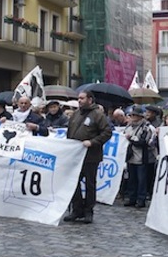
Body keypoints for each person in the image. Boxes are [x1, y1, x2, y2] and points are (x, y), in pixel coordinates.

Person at [63, 90, 112, 224]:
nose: (79, 100)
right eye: (78, 98)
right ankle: (76, 209)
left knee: (90, 184)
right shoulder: (75, 114)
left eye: (82, 98)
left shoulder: (98, 115)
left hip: (91, 156)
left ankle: (88, 211)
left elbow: (107, 132)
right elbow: (69, 133)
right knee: (74, 183)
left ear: (90, 100)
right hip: (76, 156)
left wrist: (92, 142)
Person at [123, 105, 156, 208]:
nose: (132, 117)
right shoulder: (129, 126)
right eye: (131, 115)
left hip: (142, 157)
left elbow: (144, 142)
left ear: (140, 116)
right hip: (131, 157)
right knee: (131, 179)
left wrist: (131, 138)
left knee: (141, 179)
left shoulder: (147, 127)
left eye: (134, 115)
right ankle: (132, 198)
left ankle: (141, 199)